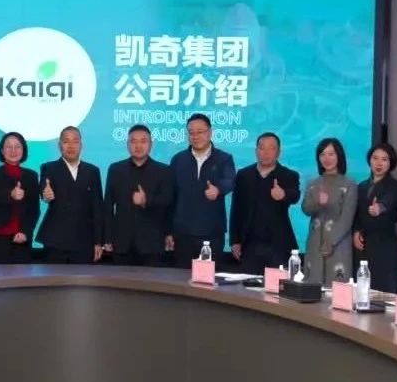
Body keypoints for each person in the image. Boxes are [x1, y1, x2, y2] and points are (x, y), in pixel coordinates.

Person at [167, 113, 236, 267]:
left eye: (200, 132)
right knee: (181, 277)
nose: (195, 136)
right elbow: (171, 196)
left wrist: (218, 189)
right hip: (183, 233)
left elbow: (230, 180)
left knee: (209, 277)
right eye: (191, 132)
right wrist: (169, 231)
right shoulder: (178, 159)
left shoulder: (224, 158)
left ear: (210, 132)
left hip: (212, 232)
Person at [230, 132, 301, 275]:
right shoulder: (244, 175)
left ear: (278, 152)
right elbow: (236, 209)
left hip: (278, 245)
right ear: (256, 151)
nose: (266, 153)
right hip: (249, 245)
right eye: (262, 148)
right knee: (247, 285)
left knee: (277, 286)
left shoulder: (289, 175)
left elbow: (295, 195)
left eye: (271, 148)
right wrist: (234, 240)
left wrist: (283, 194)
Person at [103, 124, 173, 267]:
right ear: (127, 145)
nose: (138, 146)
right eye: (133, 141)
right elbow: (108, 206)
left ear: (151, 144)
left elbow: (167, 202)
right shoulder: (116, 169)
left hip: (152, 244)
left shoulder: (164, 171)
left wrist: (146, 201)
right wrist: (107, 237)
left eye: (143, 141)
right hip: (121, 243)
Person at [37, 126, 104, 264]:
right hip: (55, 240)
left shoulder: (92, 171)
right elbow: (44, 188)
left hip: (84, 240)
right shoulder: (49, 168)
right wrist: (45, 194)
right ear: (59, 145)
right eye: (66, 141)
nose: (71, 146)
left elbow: (97, 207)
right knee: (54, 277)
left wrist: (98, 241)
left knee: (83, 278)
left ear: (81, 145)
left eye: (75, 141)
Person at [301, 138, 358, 286]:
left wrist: (331, 241)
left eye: (331, 154)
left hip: (338, 244)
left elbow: (347, 218)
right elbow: (306, 209)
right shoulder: (313, 183)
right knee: (312, 286)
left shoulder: (349, 183)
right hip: (315, 242)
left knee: (336, 289)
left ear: (339, 156)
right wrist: (318, 204)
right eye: (322, 154)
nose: (326, 158)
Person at [352, 143, 397, 293]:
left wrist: (379, 208)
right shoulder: (361, 186)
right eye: (375, 158)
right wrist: (356, 232)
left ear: (391, 163)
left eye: (384, 159)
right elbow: (356, 214)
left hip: (384, 246)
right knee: (362, 291)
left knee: (384, 292)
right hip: (363, 246)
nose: (379, 163)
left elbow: (388, 201)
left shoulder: (395, 185)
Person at [0, 132, 40, 264]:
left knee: (22, 276)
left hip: (22, 238)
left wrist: (25, 232)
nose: (13, 150)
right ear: (2, 151)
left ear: (23, 150)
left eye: (17, 146)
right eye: (8, 147)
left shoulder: (31, 176)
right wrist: (11, 195)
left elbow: (34, 210)